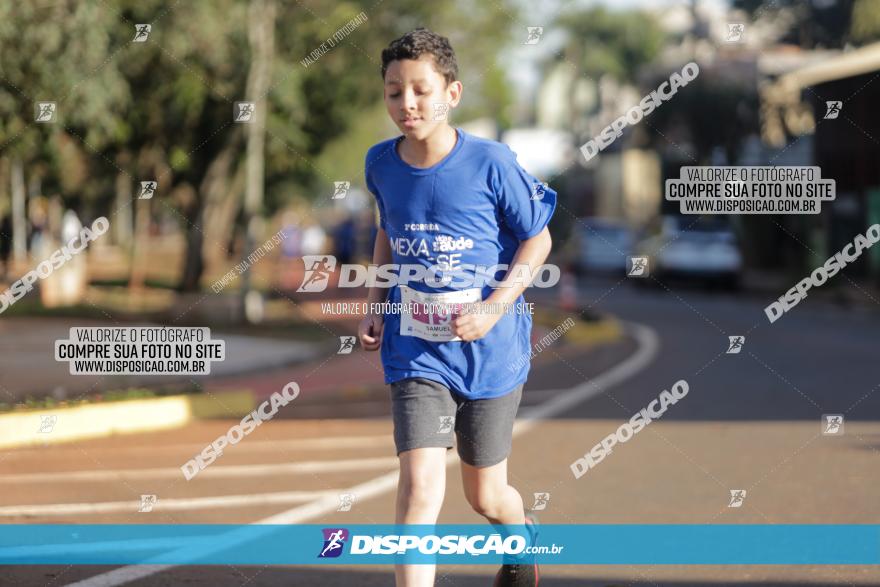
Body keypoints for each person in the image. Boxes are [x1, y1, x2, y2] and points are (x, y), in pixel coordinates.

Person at [357, 28, 555, 587]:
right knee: (419, 486)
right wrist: (375, 301)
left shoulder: (491, 163)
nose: (407, 104)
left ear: (453, 93)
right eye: (394, 92)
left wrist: (493, 307)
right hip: (417, 349)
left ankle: (521, 541)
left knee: (486, 496)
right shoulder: (381, 164)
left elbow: (538, 240)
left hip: (491, 351)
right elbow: (388, 231)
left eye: (421, 90)